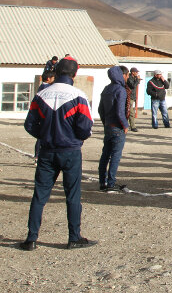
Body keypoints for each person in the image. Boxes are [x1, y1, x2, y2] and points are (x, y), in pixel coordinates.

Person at [21, 56, 97, 250]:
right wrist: (76, 138)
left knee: (39, 195)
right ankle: (74, 237)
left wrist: (45, 135)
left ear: (55, 71)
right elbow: (86, 127)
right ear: (75, 73)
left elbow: (29, 124)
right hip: (70, 150)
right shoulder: (78, 96)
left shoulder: (41, 95)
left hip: (47, 150)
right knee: (72, 195)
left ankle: (31, 238)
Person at [98, 66, 130, 192]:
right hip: (117, 127)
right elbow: (119, 111)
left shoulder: (107, 89)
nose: (127, 78)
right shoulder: (120, 90)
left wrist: (105, 122)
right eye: (127, 75)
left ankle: (102, 182)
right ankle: (111, 183)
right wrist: (125, 125)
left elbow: (100, 109)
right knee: (115, 156)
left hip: (108, 126)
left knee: (105, 155)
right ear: (122, 75)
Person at [125, 67, 141, 132]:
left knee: (130, 112)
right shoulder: (129, 78)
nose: (137, 73)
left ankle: (128, 125)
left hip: (133, 97)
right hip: (129, 97)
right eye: (136, 72)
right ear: (133, 72)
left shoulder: (134, 78)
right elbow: (133, 86)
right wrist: (137, 80)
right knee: (130, 112)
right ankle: (132, 126)